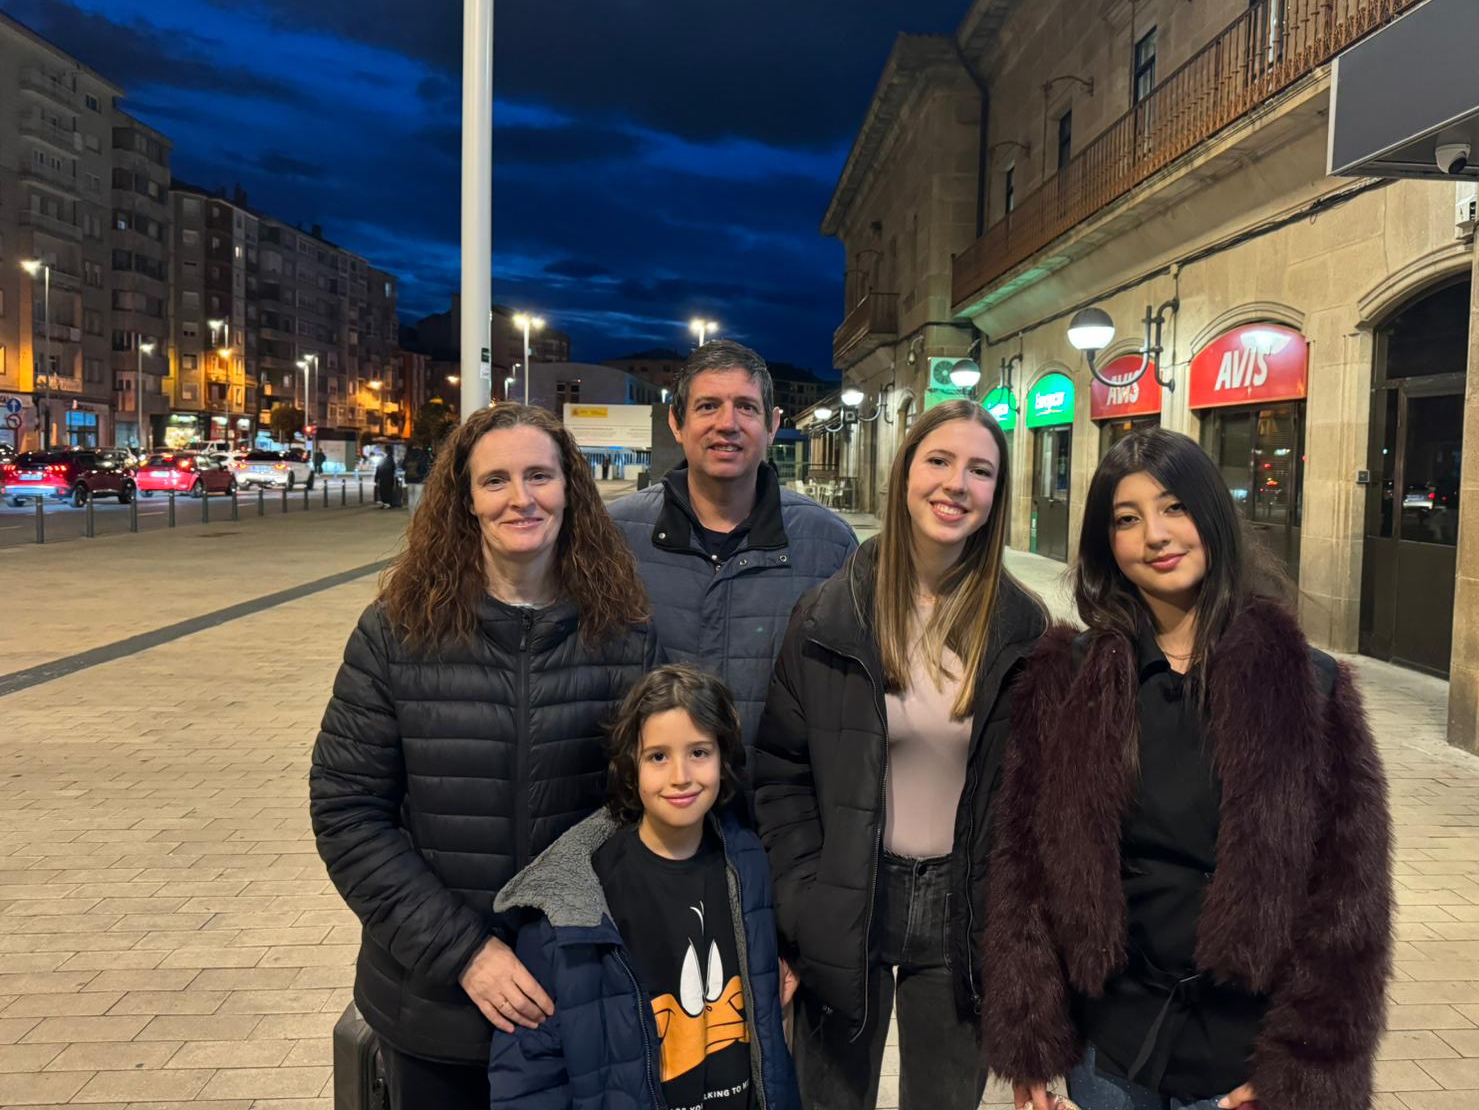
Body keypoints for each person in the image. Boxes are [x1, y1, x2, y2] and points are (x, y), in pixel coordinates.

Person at [983, 428, 1393, 1110]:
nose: (1155, 535)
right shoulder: (1068, 678)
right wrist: (1030, 1039)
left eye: (1174, 507)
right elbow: (1023, 870)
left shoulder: (1307, 686)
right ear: (1105, 544)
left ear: (1212, 515)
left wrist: (1305, 1069)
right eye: (1126, 519)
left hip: (1243, 1056)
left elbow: (1349, 897)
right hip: (1111, 1045)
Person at [310, 402, 661, 1106]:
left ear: (571, 490)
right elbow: (348, 811)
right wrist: (464, 954)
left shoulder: (623, 632)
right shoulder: (396, 632)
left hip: (576, 1002)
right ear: (465, 500)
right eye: (495, 480)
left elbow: (644, 813)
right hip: (432, 1004)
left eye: (540, 476)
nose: (520, 498)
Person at [753, 397, 1050, 1110]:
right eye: (939, 460)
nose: (957, 484)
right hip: (849, 893)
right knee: (829, 1100)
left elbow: (1039, 800)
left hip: (963, 911)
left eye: (980, 470)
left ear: (997, 493)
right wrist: (801, 903)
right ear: (904, 473)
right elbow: (781, 773)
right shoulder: (829, 615)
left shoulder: (1023, 629)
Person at [488, 665, 800, 1110]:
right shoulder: (575, 898)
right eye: (658, 757)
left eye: (699, 752)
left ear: (723, 757)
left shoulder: (748, 863)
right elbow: (528, 1071)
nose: (680, 775)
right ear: (631, 766)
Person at [610, 340, 857, 747]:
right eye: (708, 406)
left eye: (746, 407)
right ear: (676, 422)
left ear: (772, 425)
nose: (727, 423)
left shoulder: (829, 545)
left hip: (777, 785)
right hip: (651, 786)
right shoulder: (616, 537)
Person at [374, 443, 399, 509]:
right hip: (388, 477)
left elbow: (379, 468)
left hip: (384, 478)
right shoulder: (390, 458)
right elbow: (393, 468)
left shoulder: (386, 458)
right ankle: (386, 503)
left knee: (384, 491)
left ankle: (386, 503)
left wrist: (376, 478)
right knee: (386, 490)